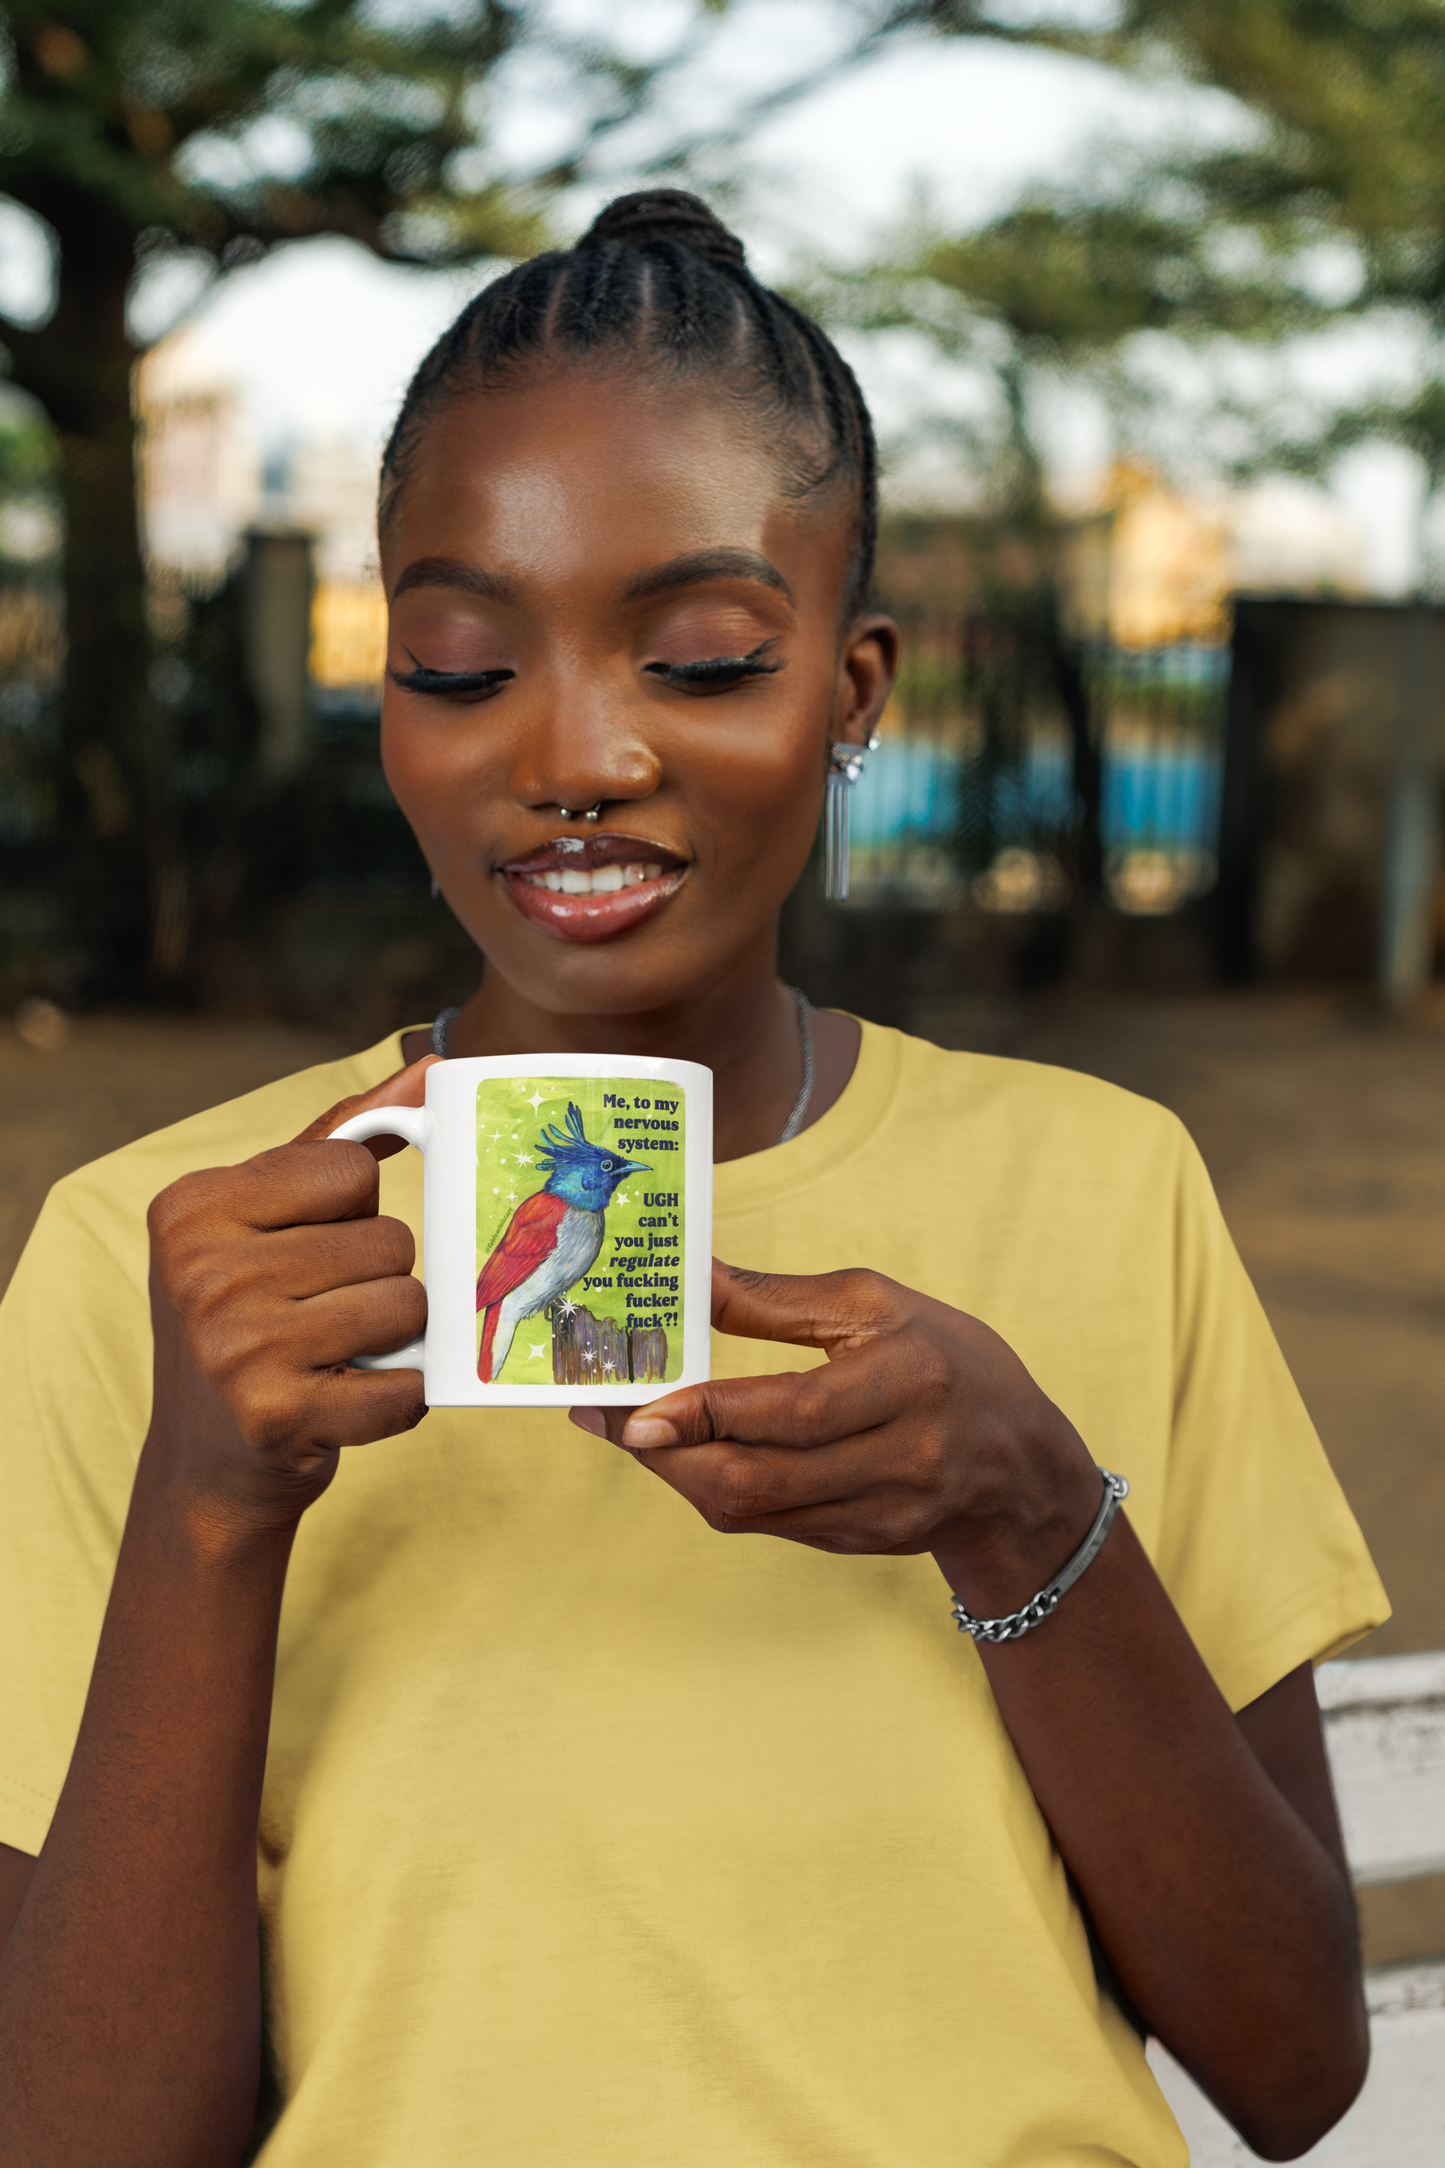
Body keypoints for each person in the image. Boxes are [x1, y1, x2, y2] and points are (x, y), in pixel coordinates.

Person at [0, 192, 1388, 2168]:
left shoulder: (1107, 1188)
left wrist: (1021, 1510)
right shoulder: (159, 1267)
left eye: (706, 658)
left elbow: (1294, 2061)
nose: (571, 753)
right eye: (463, 666)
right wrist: (210, 1513)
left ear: (851, 689)